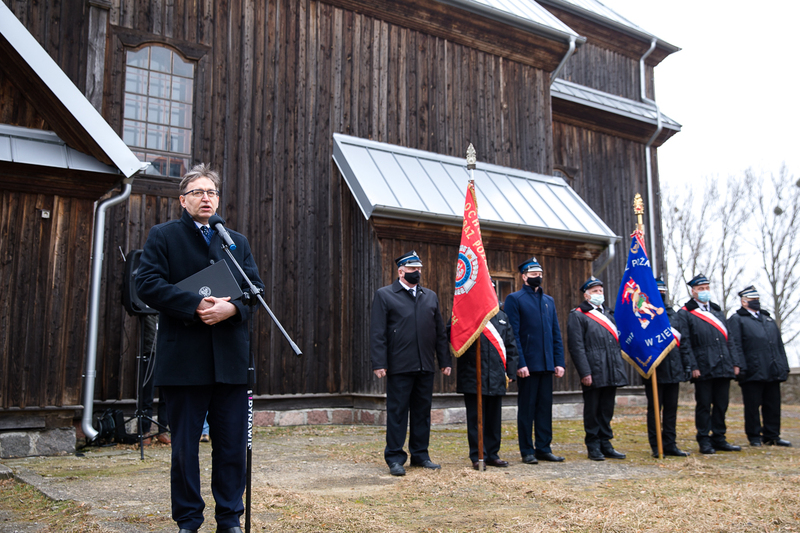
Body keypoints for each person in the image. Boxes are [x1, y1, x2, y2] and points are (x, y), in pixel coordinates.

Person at [136, 163, 264, 533]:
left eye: (211, 192)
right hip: (185, 361)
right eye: (197, 192)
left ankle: (229, 518)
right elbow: (147, 284)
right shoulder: (163, 236)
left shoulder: (235, 240)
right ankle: (189, 520)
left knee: (231, 446)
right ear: (183, 199)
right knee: (185, 449)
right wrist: (193, 304)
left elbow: (255, 292)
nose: (205, 197)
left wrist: (233, 308)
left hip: (231, 362)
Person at [370, 250, 452, 476]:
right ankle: (395, 458)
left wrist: (444, 360)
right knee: (397, 413)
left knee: (422, 413)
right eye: (413, 269)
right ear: (401, 271)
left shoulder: (430, 296)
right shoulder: (385, 295)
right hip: (399, 366)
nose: (417, 272)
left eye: (419, 269)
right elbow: (378, 332)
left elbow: (439, 333)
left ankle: (420, 455)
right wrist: (379, 362)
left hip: (425, 365)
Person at [504, 257, 566, 464]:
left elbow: (555, 333)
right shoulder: (515, 299)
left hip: (547, 364)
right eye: (532, 274)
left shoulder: (549, 301)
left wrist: (559, 362)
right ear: (524, 276)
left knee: (544, 408)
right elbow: (514, 334)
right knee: (527, 408)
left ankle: (544, 447)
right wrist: (520, 363)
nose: (537, 277)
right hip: (528, 365)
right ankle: (527, 450)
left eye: (539, 274)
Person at [676, 274, 741, 455]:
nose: (705, 291)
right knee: (704, 404)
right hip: (703, 366)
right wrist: (693, 366)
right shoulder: (685, 313)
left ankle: (719, 437)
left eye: (707, 288)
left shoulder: (717, 312)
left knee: (721, 404)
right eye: (701, 288)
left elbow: (730, 340)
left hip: (723, 364)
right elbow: (686, 342)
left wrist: (735, 362)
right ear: (693, 291)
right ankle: (704, 439)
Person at [451, 300, 519, 469]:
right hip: (474, 376)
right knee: (475, 419)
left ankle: (493, 454)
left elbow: (510, 346)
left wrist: (510, 372)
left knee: (494, 419)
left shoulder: (501, 317)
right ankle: (477, 455)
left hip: (496, 375)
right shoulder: (466, 315)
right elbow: (453, 334)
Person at [567, 276, 629, 461]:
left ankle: (606, 443)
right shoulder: (578, 315)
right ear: (586, 295)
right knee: (593, 409)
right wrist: (585, 372)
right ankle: (593, 445)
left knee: (607, 408)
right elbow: (576, 347)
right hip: (593, 369)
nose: (598, 294)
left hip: (611, 368)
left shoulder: (609, 315)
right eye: (594, 292)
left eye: (600, 291)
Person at [728, 285, 792, 447]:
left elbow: (778, 345)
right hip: (752, 369)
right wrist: (739, 366)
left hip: (772, 369)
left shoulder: (768, 319)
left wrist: (783, 365)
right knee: (752, 406)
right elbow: (735, 344)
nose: (756, 302)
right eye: (752, 300)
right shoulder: (737, 319)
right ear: (743, 302)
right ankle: (754, 436)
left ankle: (772, 435)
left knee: (773, 404)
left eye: (757, 299)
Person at [643, 277, 691, 457]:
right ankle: (656, 446)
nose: (661, 294)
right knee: (655, 409)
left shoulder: (674, 314)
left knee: (671, 410)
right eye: (658, 291)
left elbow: (683, 343)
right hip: (655, 368)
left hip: (675, 368)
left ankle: (670, 444)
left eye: (663, 291)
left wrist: (687, 365)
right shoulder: (646, 314)